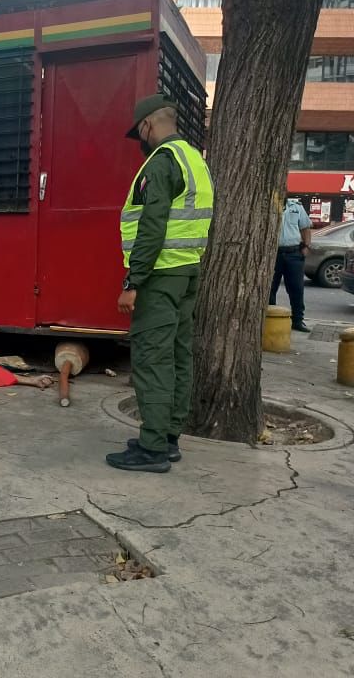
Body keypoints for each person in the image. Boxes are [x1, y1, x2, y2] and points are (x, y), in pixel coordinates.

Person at [107, 94, 213, 473]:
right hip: (187, 272)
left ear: (148, 125)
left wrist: (133, 281)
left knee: (153, 358)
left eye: (140, 133)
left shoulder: (162, 162)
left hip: (159, 275)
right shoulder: (196, 160)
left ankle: (151, 449)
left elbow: (152, 226)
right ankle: (168, 439)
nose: (141, 140)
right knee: (178, 355)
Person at [269, 197, 312, 332]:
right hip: (273, 254)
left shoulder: (295, 207)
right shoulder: (268, 204)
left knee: (296, 289)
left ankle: (298, 320)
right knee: (270, 288)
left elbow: (305, 227)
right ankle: (269, 319)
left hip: (294, 253)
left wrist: (306, 246)